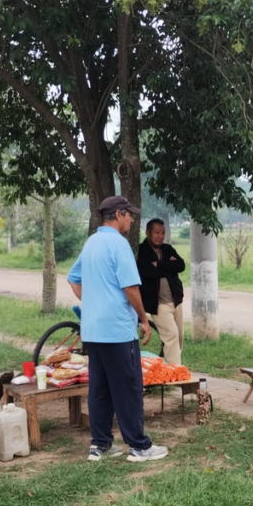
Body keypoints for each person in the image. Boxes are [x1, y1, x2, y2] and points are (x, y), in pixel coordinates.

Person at [68, 195, 168, 463]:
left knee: (99, 388)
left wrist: (93, 303)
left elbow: (73, 279)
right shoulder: (119, 244)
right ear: (119, 214)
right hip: (117, 330)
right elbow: (130, 287)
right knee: (128, 387)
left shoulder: (91, 242)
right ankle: (139, 447)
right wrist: (143, 319)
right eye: (130, 214)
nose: (132, 219)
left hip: (93, 330)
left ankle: (100, 445)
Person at [136, 219, 186, 365]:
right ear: (148, 233)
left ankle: (172, 367)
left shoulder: (167, 249)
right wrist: (169, 266)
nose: (160, 236)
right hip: (158, 304)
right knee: (171, 335)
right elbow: (146, 272)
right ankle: (175, 371)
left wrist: (159, 265)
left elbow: (180, 265)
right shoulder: (142, 251)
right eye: (156, 232)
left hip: (176, 301)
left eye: (162, 233)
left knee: (179, 336)